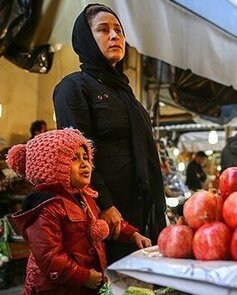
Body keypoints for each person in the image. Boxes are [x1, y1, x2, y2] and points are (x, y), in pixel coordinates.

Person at [6, 128, 151, 295]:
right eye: (74, 159)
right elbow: (49, 258)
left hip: (81, 293)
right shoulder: (45, 208)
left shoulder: (84, 197)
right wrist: (83, 276)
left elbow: (103, 224)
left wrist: (133, 234)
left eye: (86, 158)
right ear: (53, 167)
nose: (85, 164)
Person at [53, 3, 166, 263]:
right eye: (103, 30)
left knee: (136, 294)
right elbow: (76, 154)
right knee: (106, 293)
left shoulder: (126, 95)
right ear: (86, 39)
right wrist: (104, 203)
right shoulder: (74, 87)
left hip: (135, 212)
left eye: (119, 30)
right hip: (103, 216)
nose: (115, 36)